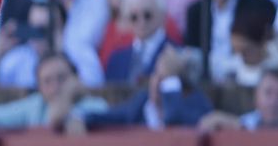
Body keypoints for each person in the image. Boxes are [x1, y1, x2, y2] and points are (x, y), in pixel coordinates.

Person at [83, 46, 215, 129]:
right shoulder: (143, 101)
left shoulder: (198, 103)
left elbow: (173, 119)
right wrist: (80, 119)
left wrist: (170, 80)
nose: (157, 82)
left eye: (164, 79)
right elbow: (111, 116)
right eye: (156, 74)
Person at [0, 50, 110, 132]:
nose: (56, 86)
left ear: (75, 79)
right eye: (47, 81)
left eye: (62, 78)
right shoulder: (35, 104)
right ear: (39, 87)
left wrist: (66, 97)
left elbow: (55, 118)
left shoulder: (95, 105)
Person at [200, 65, 278, 128]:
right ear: (256, 95)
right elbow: (206, 123)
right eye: (268, 93)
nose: (273, 102)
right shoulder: (248, 122)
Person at [104, 0, 174, 82]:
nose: (141, 22)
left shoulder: (176, 54)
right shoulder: (116, 59)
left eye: (147, 15)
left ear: (162, 15)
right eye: (134, 17)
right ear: (127, 19)